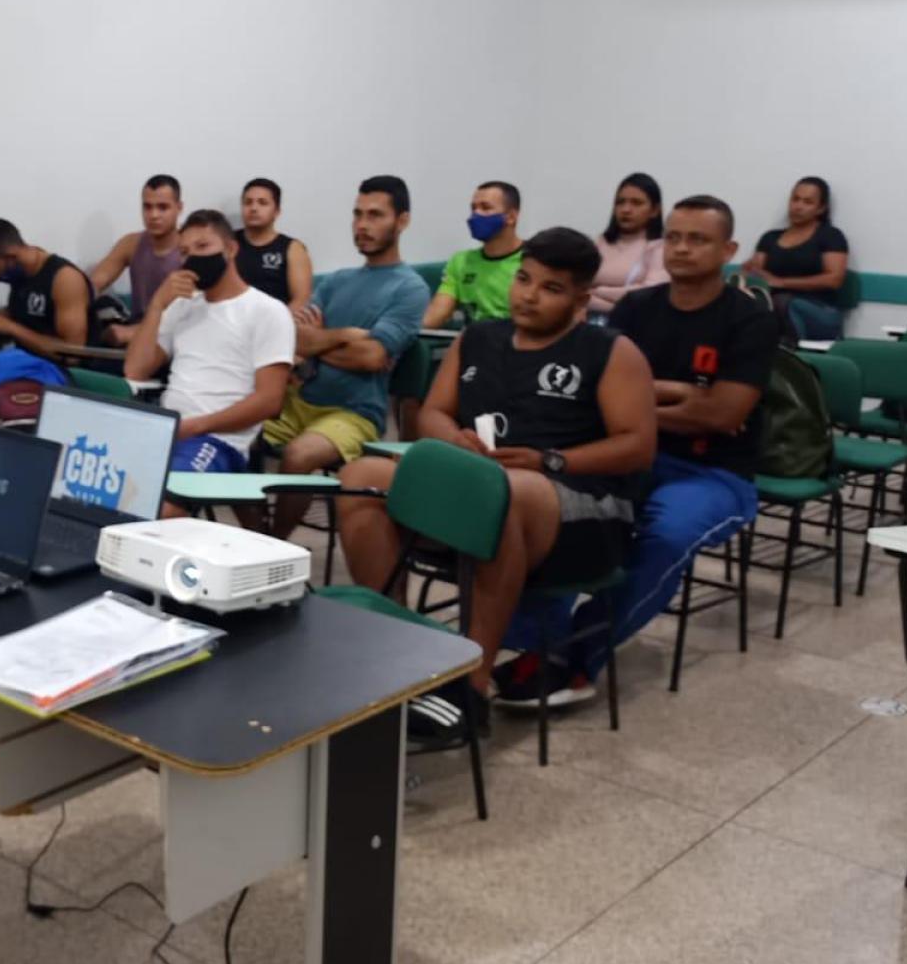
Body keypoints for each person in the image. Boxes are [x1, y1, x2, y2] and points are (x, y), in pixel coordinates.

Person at [338, 228, 657, 718]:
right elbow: (434, 415)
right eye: (523, 279)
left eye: (549, 288)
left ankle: (471, 682)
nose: (527, 295)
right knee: (363, 475)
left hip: (579, 506)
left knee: (500, 491)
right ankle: (396, 647)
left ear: (581, 297)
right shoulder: (479, 338)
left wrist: (550, 460)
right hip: (482, 485)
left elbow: (637, 447)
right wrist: (456, 441)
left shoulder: (610, 351)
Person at [496, 197, 776, 705]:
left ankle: (576, 657)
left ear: (729, 249)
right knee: (544, 503)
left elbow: (722, 415)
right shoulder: (636, 308)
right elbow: (596, 396)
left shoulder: (749, 318)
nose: (682, 248)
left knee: (664, 535)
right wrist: (677, 395)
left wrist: (637, 405)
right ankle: (534, 644)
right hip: (626, 456)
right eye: (673, 237)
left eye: (698, 239)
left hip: (711, 471)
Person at [261, 175, 429, 539]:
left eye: (375, 215)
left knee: (298, 456)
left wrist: (318, 342)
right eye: (357, 214)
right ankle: (247, 532)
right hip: (300, 399)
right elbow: (296, 339)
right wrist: (343, 338)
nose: (362, 225)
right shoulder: (337, 280)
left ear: (402, 221)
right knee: (232, 430)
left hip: (353, 413)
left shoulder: (410, 287)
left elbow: (371, 357)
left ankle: (270, 546)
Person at [123, 210, 295, 495]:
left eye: (203, 247)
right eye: (184, 252)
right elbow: (135, 370)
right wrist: (156, 306)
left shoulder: (267, 311)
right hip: (166, 430)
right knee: (103, 486)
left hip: (218, 439)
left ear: (230, 248)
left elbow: (269, 401)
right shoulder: (182, 305)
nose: (192, 259)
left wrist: (193, 427)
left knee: (159, 500)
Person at [0, 219, 91, 359]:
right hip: (27, 360)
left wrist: (11, 328)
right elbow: (26, 314)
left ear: (11, 255)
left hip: (65, 373)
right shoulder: (22, 274)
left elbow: (73, 354)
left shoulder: (65, 279)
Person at [744, 176, 851, 341]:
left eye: (807, 202)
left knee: (782, 302)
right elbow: (756, 274)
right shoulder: (770, 238)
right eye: (795, 199)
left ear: (821, 208)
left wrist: (782, 282)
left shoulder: (830, 236)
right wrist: (749, 273)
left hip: (821, 311)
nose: (798, 207)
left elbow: (834, 279)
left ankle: (792, 359)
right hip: (773, 306)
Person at [91, 175, 185, 342]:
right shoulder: (131, 243)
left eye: (163, 207)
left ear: (179, 208)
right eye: (147, 207)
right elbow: (94, 283)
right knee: (97, 306)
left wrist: (131, 333)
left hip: (170, 335)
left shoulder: (189, 250)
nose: (154, 215)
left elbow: (191, 316)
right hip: (135, 325)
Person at [422, 181, 524, 328]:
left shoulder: (533, 261)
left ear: (511, 217)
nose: (476, 214)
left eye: (485, 207)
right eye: (473, 208)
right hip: (472, 344)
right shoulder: (460, 262)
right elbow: (436, 315)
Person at [588, 173, 667, 322]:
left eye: (636, 203)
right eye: (620, 202)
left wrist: (599, 292)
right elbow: (579, 288)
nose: (626, 209)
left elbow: (650, 293)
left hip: (635, 323)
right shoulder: (601, 242)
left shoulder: (659, 247)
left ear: (654, 210)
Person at [235, 177, 314, 309]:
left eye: (262, 203)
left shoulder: (293, 249)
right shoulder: (227, 243)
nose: (254, 208)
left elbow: (301, 301)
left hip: (275, 323)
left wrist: (275, 325)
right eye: (248, 202)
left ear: (277, 211)